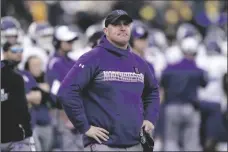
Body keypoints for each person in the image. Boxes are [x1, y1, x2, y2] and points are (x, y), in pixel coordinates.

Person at [58, 9, 160, 151]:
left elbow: (153, 91)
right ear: (106, 31)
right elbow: (67, 91)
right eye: (117, 24)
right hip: (104, 145)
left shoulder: (138, 62)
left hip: (135, 144)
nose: (123, 27)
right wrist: (84, 127)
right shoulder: (92, 58)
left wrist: (150, 118)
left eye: (126, 24)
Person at [160, 37, 208, 151]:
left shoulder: (170, 68)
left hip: (172, 107)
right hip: (190, 108)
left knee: (171, 141)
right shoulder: (198, 70)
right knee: (191, 143)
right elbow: (204, 83)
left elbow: (163, 83)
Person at [1, 60, 36, 151]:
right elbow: (22, 107)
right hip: (17, 135)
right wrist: (28, 130)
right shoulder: (15, 78)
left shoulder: (19, 76)